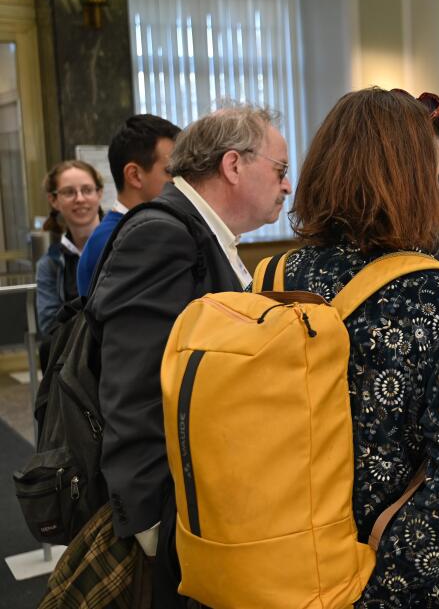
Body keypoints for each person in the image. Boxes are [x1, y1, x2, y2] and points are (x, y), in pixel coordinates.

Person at [282, 87, 439, 607]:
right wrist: (375, 588)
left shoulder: (277, 276)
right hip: (425, 584)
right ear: (412, 181)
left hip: (300, 565)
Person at [88, 105, 292, 607]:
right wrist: (151, 526)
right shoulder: (163, 234)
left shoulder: (199, 233)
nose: (287, 187)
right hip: (168, 519)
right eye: (280, 170)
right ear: (233, 165)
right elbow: (132, 386)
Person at [77, 114, 180, 296]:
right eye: (170, 171)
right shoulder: (119, 241)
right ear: (134, 175)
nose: (179, 181)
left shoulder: (132, 231)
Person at [35, 161, 103, 335]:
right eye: (69, 192)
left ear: (99, 193)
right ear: (53, 200)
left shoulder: (122, 244)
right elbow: (50, 326)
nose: (80, 199)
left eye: (87, 190)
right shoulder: (49, 264)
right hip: (75, 352)